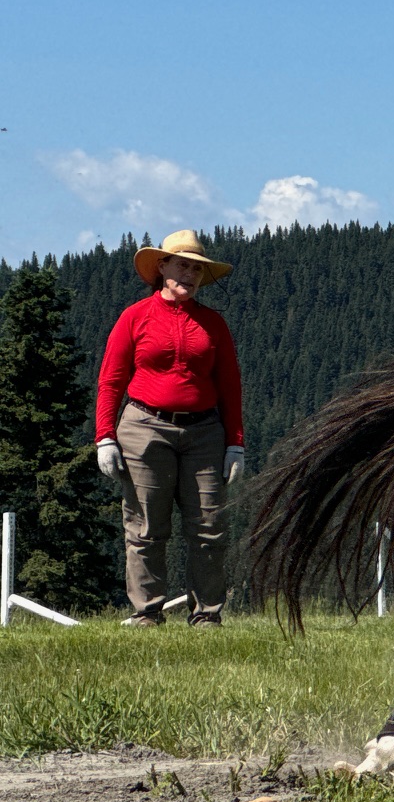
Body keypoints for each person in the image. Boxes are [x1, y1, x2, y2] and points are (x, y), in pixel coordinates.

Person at [94, 230, 245, 626]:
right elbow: (111, 380)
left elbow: (230, 387)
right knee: (145, 526)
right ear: (161, 267)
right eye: (182, 265)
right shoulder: (134, 317)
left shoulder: (213, 324)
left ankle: (208, 615)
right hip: (144, 428)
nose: (189, 274)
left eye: (196, 268)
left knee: (209, 526)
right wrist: (105, 437)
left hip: (205, 433)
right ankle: (146, 613)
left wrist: (236, 444)